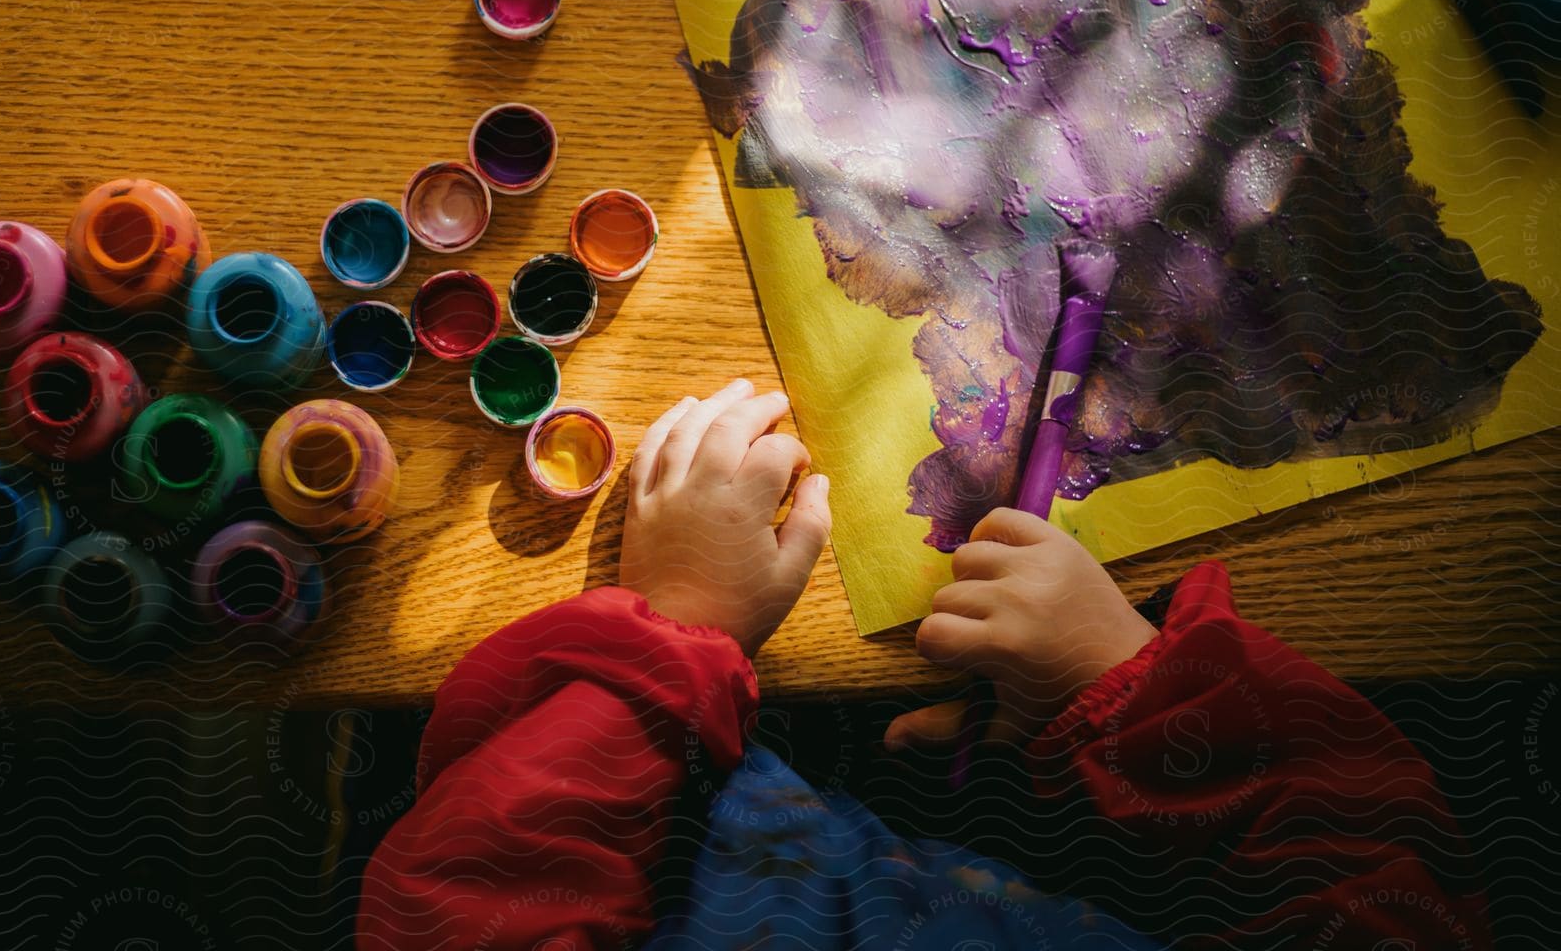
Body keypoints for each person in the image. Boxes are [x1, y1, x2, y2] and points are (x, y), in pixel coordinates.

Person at [356, 379, 1493, 950]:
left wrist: (669, 631)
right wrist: (1136, 696)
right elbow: (1388, 896)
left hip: (660, 841)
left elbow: (455, 909)